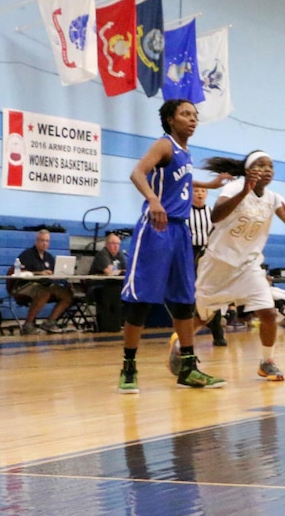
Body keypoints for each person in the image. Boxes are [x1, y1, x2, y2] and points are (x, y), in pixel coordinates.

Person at [118, 99, 223, 392]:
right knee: (141, 300)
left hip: (179, 231)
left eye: (195, 115)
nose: (193, 119)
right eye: (186, 114)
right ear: (170, 119)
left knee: (184, 300)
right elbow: (137, 173)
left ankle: (188, 367)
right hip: (156, 228)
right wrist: (153, 200)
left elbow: (183, 181)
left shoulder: (185, 152)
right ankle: (128, 367)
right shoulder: (163, 145)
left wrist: (211, 186)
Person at [180, 151, 285, 382]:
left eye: (271, 165)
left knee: (267, 312)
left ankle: (267, 362)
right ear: (248, 170)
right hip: (219, 262)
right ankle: (179, 345)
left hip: (249, 265)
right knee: (203, 317)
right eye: (260, 164)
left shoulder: (273, 198)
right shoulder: (234, 188)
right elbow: (215, 216)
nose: (267, 169)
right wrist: (244, 191)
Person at [185, 181, 228, 346]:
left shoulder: (212, 213)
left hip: (209, 255)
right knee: (191, 295)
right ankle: (187, 336)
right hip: (189, 254)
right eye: (196, 191)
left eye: (203, 191)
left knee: (211, 293)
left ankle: (218, 334)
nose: (200, 193)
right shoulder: (184, 212)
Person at [8, 228, 74, 334]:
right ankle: (28, 325)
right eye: (42, 240)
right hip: (25, 286)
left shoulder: (49, 257)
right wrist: (39, 273)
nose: (44, 243)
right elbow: (20, 272)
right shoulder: (27, 254)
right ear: (36, 241)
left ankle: (50, 322)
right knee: (44, 292)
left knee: (67, 294)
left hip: (46, 285)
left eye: (47, 241)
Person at [87, 232, 128, 332]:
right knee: (115, 291)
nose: (116, 246)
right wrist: (120, 271)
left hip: (114, 285)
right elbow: (109, 272)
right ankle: (109, 325)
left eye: (118, 244)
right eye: (113, 243)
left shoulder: (120, 255)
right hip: (97, 287)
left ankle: (123, 322)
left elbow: (127, 270)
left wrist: (119, 271)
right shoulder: (102, 254)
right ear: (106, 244)